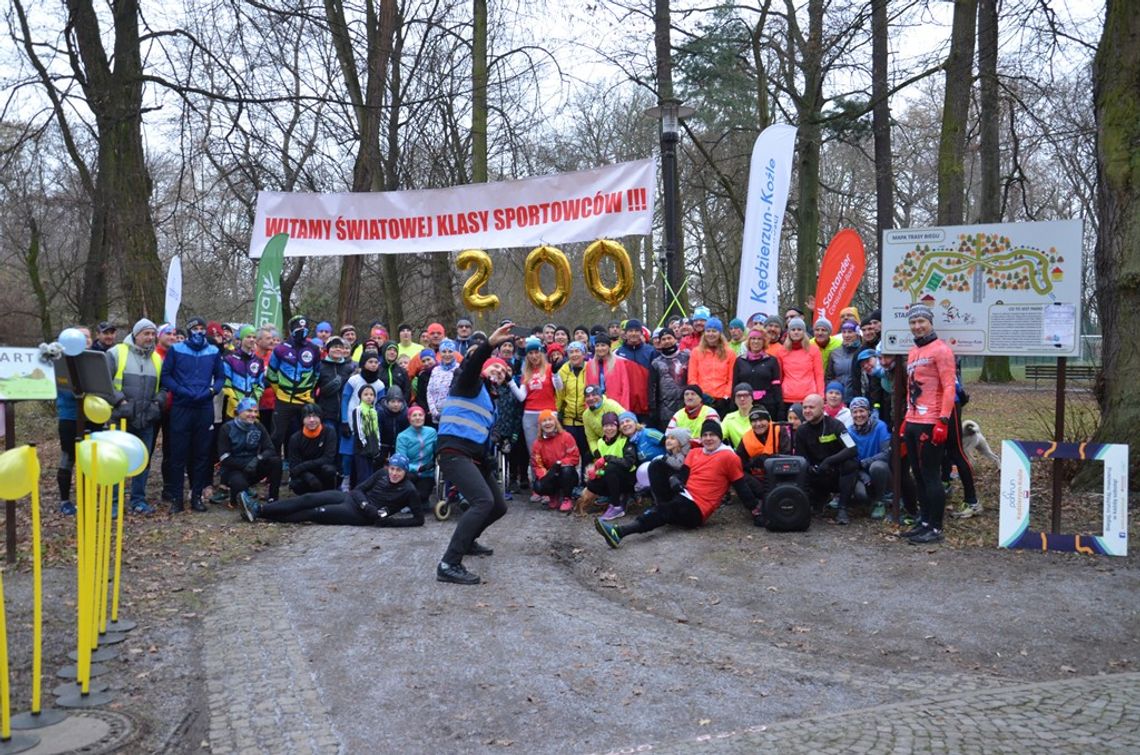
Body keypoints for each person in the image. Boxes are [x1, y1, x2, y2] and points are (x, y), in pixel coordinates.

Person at [434, 322, 516, 585]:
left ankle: (468, 541)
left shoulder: (488, 400)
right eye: (495, 367)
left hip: (472, 454)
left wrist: (488, 459)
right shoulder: (467, 382)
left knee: (498, 505)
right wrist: (489, 344)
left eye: (503, 373)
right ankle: (449, 563)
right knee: (482, 501)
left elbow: (477, 434)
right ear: (484, 367)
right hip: (452, 451)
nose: (498, 372)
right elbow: (473, 364)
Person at [594, 419, 757, 548]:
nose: (708, 439)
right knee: (657, 465)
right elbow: (683, 475)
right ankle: (660, 509)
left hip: (696, 508)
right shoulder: (695, 452)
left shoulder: (728, 457)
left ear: (720, 437)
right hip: (682, 494)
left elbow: (741, 485)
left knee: (668, 509)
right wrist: (676, 480)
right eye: (705, 435)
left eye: (712, 435)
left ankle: (620, 532)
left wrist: (755, 508)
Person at [900, 303, 957, 544]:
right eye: (913, 322)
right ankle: (923, 522)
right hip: (913, 420)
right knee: (919, 475)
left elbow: (949, 387)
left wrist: (943, 420)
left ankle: (935, 527)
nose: (917, 326)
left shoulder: (941, 350)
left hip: (931, 421)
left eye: (921, 321)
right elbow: (910, 387)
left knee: (931, 475)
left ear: (930, 322)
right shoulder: (913, 351)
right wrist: (905, 419)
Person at [244, 453, 423, 527]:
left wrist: (390, 522)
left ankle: (260, 515)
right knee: (308, 498)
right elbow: (359, 489)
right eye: (392, 468)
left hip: (358, 516)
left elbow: (419, 520)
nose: (394, 473)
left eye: (398, 470)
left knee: (313, 513)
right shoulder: (381, 474)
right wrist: (364, 503)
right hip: (352, 500)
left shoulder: (409, 490)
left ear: (405, 472)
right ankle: (259, 509)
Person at [161, 316, 224, 513]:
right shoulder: (176, 349)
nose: (199, 332)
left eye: (201, 328)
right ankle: (177, 499)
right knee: (178, 454)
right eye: (195, 328)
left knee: (201, 454)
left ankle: (196, 496)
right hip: (182, 406)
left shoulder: (213, 351)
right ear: (188, 331)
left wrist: (212, 391)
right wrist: (180, 390)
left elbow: (221, 377)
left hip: (204, 406)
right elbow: (166, 376)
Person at [106, 318, 165, 514]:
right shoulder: (116, 353)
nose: (150, 337)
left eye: (152, 334)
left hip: (146, 419)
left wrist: (157, 405)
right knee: (116, 461)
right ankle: (114, 503)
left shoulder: (157, 358)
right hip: (120, 419)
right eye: (146, 334)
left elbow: (164, 387)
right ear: (135, 334)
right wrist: (120, 402)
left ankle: (138, 499)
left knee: (143, 460)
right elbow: (104, 383)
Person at [796, 393, 858, 525]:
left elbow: (852, 448)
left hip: (836, 471)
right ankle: (814, 503)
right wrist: (811, 468)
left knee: (850, 464)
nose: (807, 411)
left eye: (811, 407)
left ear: (822, 408)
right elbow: (801, 457)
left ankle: (842, 508)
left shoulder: (836, 425)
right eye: (805, 407)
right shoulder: (801, 430)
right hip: (816, 474)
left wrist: (828, 461)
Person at [266, 316, 322, 455]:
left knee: (304, 436)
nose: (301, 332)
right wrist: (280, 390)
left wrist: (308, 390)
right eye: (298, 328)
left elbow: (317, 373)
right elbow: (271, 374)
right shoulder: (280, 349)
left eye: (304, 329)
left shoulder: (314, 349)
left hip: (304, 400)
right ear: (291, 330)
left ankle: (299, 470)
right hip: (283, 400)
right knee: (277, 436)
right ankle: (273, 471)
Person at [218, 397, 282, 510]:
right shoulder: (227, 428)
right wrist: (244, 465)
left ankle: (273, 498)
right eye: (249, 411)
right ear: (239, 412)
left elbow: (270, 449)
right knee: (239, 485)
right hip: (234, 470)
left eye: (255, 411)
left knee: (276, 462)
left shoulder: (258, 426)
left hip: (253, 466)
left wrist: (258, 459)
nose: (253, 415)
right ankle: (234, 499)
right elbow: (224, 457)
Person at [56, 326, 92, 515]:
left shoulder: (95, 361)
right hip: (69, 418)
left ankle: (87, 497)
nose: (85, 340)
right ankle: (64, 500)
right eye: (81, 336)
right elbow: (67, 393)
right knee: (68, 458)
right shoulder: (61, 362)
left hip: (92, 418)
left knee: (90, 459)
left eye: (87, 337)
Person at [735, 407, 791, 521]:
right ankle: (756, 506)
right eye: (754, 421)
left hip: (780, 477)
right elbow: (739, 461)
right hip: (758, 480)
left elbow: (788, 455)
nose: (758, 424)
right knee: (737, 475)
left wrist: (767, 459)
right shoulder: (746, 438)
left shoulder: (780, 430)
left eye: (761, 420)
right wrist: (751, 463)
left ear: (769, 420)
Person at [510, 337, 558, 454]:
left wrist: (556, 373)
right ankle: (535, 472)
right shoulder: (526, 372)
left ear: (541, 353)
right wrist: (510, 381)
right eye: (530, 353)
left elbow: (559, 388)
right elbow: (522, 397)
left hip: (549, 411)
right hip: (530, 414)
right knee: (534, 451)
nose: (534, 356)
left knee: (551, 449)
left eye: (536, 352)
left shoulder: (550, 368)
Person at [584, 412, 634, 521]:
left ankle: (616, 506)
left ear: (617, 427)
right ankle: (614, 498)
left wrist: (607, 458)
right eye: (606, 426)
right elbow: (604, 468)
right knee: (591, 484)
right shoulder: (601, 442)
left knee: (611, 467)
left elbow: (628, 463)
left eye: (612, 425)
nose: (609, 429)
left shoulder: (625, 440)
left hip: (628, 478)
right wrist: (597, 473)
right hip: (612, 477)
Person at [848, 397, 891, 519]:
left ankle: (880, 501)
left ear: (868, 412)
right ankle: (869, 498)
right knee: (862, 496)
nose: (858, 415)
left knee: (877, 466)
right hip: (861, 474)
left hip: (880, 470)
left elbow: (886, 453)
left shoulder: (880, 427)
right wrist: (862, 474)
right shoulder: (850, 432)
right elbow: (850, 459)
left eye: (862, 411)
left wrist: (865, 463)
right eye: (855, 412)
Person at [530, 410, 580, 512]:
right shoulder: (537, 444)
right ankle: (553, 495)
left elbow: (574, 457)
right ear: (540, 425)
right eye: (544, 421)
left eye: (550, 420)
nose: (547, 423)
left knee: (567, 471)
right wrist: (547, 474)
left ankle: (567, 498)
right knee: (538, 486)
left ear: (555, 422)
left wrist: (559, 464)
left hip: (566, 471)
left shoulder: (566, 437)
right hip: (550, 473)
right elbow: (537, 465)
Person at [687, 317, 737, 417]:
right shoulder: (696, 352)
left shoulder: (730, 353)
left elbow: (732, 378)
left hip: (722, 400)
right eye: (708, 331)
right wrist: (699, 395)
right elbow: (692, 378)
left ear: (720, 333)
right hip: (702, 399)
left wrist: (726, 396)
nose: (711, 334)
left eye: (714, 331)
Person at [732, 327, 784, 421]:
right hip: (744, 405)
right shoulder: (740, 361)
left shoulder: (772, 360)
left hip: (767, 405)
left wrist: (780, 408)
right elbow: (735, 385)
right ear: (748, 341)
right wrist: (732, 406)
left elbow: (776, 386)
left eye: (759, 339)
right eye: (753, 338)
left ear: (764, 341)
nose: (756, 341)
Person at [286, 403, 339, 495]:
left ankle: (328, 496)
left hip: (321, 470)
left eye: (315, 416)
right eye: (308, 417)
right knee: (295, 484)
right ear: (302, 419)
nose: (311, 420)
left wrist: (303, 466)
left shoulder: (329, 432)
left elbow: (328, 458)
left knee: (329, 470)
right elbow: (294, 465)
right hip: (305, 474)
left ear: (320, 418)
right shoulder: (295, 438)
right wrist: (309, 477)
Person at [554, 341, 591, 468]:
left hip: (586, 419)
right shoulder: (563, 370)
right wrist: (557, 413)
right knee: (569, 454)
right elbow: (559, 393)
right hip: (569, 421)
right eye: (571, 352)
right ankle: (571, 481)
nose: (574, 355)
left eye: (577, 351)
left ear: (584, 354)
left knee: (587, 454)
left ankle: (586, 481)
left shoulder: (590, 368)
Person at [396, 405, 437, 513]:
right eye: (414, 415)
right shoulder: (402, 436)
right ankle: (407, 502)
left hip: (428, 473)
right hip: (410, 472)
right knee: (411, 492)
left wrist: (434, 462)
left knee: (421, 495)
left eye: (420, 415)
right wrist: (418, 468)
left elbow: (438, 450)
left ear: (424, 417)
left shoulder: (432, 432)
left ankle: (421, 501)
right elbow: (401, 460)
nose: (418, 418)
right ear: (409, 418)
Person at [615, 319, 657, 424]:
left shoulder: (651, 351)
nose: (633, 333)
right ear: (625, 333)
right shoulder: (618, 353)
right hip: (626, 405)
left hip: (646, 406)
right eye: (630, 331)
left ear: (641, 333)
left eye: (636, 331)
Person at [648, 327, 689, 431]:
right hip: (665, 410)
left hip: (685, 406)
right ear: (660, 342)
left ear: (675, 339)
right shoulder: (656, 363)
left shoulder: (687, 356)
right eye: (664, 339)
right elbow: (652, 388)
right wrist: (653, 409)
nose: (667, 341)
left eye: (669, 338)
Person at [221, 325, 265, 419]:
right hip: (234, 410)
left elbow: (260, 385)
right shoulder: (230, 359)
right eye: (248, 337)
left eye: (254, 337)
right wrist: (238, 406)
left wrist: (251, 403)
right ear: (241, 338)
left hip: (252, 410)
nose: (252, 340)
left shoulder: (258, 361)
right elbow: (226, 385)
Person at [780, 318, 824, 410]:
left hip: (809, 397)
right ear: (789, 332)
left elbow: (819, 375)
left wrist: (821, 396)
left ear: (804, 332)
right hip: (787, 398)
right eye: (793, 329)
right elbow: (780, 376)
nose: (796, 332)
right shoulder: (782, 351)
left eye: (799, 329)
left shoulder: (814, 350)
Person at [585, 337, 630, 412]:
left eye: (603, 345)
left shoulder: (618, 363)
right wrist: (588, 409)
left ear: (609, 347)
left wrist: (624, 410)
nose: (600, 348)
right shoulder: (590, 365)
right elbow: (587, 388)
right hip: (596, 406)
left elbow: (625, 388)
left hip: (615, 405)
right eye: (597, 345)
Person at [582, 385, 627, 457]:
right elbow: (591, 439)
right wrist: (596, 452)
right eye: (587, 396)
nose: (591, 398)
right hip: (604, 444)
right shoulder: (586, 415)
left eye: (594, 395)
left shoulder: (611, 405)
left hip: (621, 441)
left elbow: (626, 422)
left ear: (601, 395)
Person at [351, 384, 383, 484]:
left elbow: (376, 429)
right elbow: (358, 428)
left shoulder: (373, 411)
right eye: (366, 394)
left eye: (371, 394)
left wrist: (378, 444)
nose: (369, 397)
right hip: (362, 448)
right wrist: (364, 443)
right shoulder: (358, 409)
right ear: (360, 396)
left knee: (370, 473)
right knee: (362, 474)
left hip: (372, 446)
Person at [825, 321, 863, 402]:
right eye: (844, 332)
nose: (847, 335)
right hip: (838, 398)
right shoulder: (834, 353)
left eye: (850, 332)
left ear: (857, 333)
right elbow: (829, 377)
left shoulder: (862, 351)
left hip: (858, 397)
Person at [426, 339, 462, 423]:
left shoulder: (459, 369)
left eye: (450, 351)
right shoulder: (435, 370)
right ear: (440, 353)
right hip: (436, 415)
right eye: (444, 351)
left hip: (453, 416)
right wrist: (435, 412)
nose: (447, 354)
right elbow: (429, 392)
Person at [378, 386, 409, 465]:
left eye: (399, 402)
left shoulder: (406, 413)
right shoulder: (381, 412)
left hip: (399, 446)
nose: (396, 405)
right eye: (393, 401)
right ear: (387, 402)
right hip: (383, 445)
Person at [720, 383, 757, 448]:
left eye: (745, 395)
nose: (742, 399)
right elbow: (719, 435)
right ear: (734, 399)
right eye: (738, 396)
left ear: (752, 398)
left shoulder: (761, 414)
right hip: (739, 454)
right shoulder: (729, 417)